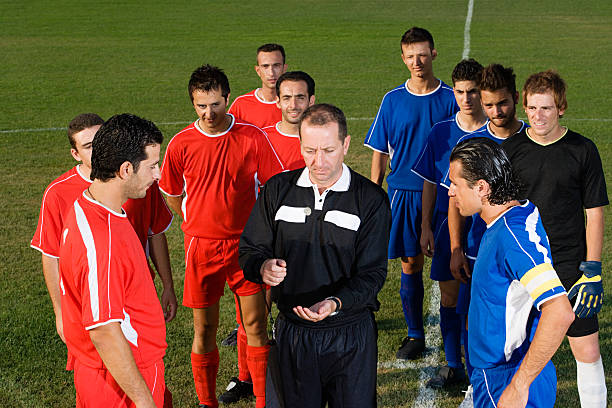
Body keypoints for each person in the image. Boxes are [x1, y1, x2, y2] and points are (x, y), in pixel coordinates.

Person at [240, 103, 390, 408]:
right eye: (309, 150)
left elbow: (372, 274)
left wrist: (335, 303)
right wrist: (262, 266)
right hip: (294, 334)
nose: (318, 162)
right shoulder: (277, 190)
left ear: (346, 144)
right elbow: (250, 250)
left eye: (328, 150)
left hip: (349, 334)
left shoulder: (370, 200)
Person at [159, 64, 284, 408]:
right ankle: (207, 401)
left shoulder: (251, 137)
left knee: (256, 323)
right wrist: (188, 215)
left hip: (246, 247)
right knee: (205, 329)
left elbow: (274, 185)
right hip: (202, 246)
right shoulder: (182, 143)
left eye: (215, 104)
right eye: (201, 105)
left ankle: (262, 400)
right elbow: (170, 190)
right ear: (193, 104)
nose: (209, 112)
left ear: (227, 98)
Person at [502, 70, 608, 407]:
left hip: (569, 264)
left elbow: (594, 212)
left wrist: (592, 269)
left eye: (546, 108)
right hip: (524, 265)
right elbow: (502, 210)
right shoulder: (512, 150)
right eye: (532, 108)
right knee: (515, 350)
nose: (538, 116)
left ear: (561, 107)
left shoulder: (582, 149)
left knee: (587, 349)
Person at [448, 137, 574, 408]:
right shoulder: (512, 216)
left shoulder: (511, 236)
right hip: (500, 372)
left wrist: (519, 385)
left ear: (481, 187)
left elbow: (560, 311)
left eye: (455, 184)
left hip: (505, 377)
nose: (450, 191)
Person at [31, 113, 177, 344]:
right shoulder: (61, 195)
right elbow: (51, 256)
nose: (99, 149)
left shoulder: (140, 183)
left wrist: (167, 285)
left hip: (139, 293)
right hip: (95, 307)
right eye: (89, 146)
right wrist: (61, 313)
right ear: (75, 154)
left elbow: (155, 232)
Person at [59, 113, 169, 407]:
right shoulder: (102, 240)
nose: (158, 175)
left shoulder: (88, 205)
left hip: (110, 373)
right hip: (123, 381)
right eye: (153, 166)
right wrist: (144, 402)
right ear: (125, 169)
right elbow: (104, 330)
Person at [364, 26, 458, 359]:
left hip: (446, 195)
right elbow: (380, 152)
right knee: (410, 264)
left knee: (454, 265)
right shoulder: (392, 100)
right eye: (410, 56)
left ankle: (458, 334)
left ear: (433, 54)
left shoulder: (451, 98)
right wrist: (375, 194)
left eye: (422, 54)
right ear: (403, 58)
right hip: (403, 192)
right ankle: (415, 335)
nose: (417, 61)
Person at [438, 63, 527, 406]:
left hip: (516, 249)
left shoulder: (529, 140)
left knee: (521, 319)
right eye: (488, 105)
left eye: (501, 104)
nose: (495, 112)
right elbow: (453, 198)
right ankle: (479, 381)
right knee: (475, 317)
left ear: (514, 99)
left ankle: (520, 378)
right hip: (478, 248)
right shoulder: (472, 144)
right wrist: (457, 247)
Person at [412, 58, 487, 388]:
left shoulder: (498, 131)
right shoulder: (442, 131)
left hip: (487, 225)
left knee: (481, 301)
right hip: (446, 223)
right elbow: (430, 181)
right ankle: (453, 365)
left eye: (472, 92)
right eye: (460, 92)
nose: (466, 99)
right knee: (450, 297)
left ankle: (478, 367)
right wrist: (426, 225)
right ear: (453, 92)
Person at [262, 70, 316, 170]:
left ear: (311, 101)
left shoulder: (322, 140)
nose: (293, 105)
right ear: (278, 102)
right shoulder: (261, 139)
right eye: (287, 98)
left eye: (300, 98)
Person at [228, 43, 287, 129]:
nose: (271, 73)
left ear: (284, 68)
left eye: (276, 66)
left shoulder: (294, 105)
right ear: (258, 70)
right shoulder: (241, 105)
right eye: (265, 66)